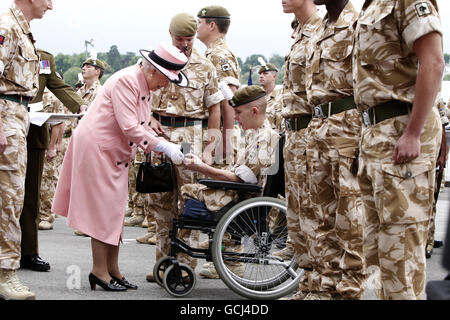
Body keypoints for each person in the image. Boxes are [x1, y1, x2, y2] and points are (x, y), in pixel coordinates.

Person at [52, 42, 187, 292]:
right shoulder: (128, 81)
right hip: (98, 148)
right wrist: (163, 147)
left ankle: (113, 270)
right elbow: (129, 126)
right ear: (153, 69)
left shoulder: (142, 82)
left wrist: (158, 137)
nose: (166, 84)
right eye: (166, 79)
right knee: (102, 211)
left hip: (113, 150)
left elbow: (140, 123)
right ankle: (99, 271)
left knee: (114, 211)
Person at [354, 0, 444, 299]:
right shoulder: (371, 5)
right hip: (376, 134)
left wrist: (413, 132)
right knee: (380, 250)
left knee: (401, 247)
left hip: (401, 129)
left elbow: (433, 62)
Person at [144, 13, 223, 282]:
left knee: (187, 201)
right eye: (179, 39)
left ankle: (183, 265)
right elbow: (140, 96)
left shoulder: (205, 66)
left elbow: (215, 108)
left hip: (191, 132)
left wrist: (211, 147)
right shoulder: (153, 60)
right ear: (170, 34)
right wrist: (149, 118)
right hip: (159, 134)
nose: (184, 44)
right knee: (160, 203)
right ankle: (163, 263)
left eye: (188, 39)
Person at [303, 0, 366, 300]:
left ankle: (350, 288)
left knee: (349, 213)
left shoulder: (358, 23)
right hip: (319, 125)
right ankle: (326, 286)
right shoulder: (320, 27)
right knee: (321, 213)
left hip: (348, 124)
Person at [181, 86, 279, 275]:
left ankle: (185, 259)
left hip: (244, 198)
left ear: (255, 111)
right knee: (193, 187)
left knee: (188, 190)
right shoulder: (254, 134)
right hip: (241, 193)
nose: (234, 117)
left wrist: (202, 168)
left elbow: (242, 180)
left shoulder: (266, 138)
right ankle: (218, 254)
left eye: (238, 112)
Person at [0, 0, 53, 300]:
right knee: (8, 199)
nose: (51, 5)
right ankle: (5, 274)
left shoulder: (22, 28)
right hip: (5, 116)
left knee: (12, 197)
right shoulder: (7, 25)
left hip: (17, 115)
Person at [20, 47, 88, 272]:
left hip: (35, 130)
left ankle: (28, 252)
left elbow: (57, 85)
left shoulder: (44, 57)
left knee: (31, 196)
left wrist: (80, 104)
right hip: (8, 124)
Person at [279, 0, 323, 300]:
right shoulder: (299, 32)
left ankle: (321, 286)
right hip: (294, 133)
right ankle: (306, 285)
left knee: (316, 215)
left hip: (312, 131)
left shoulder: (321, 29)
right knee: (297, 218)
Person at [196, 5, 241, 167]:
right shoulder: (212, 53)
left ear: (212, 25)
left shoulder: (219, 55)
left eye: (199, 22)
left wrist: (226, 142)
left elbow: (230, 99)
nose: (197, 27)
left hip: (223, 134)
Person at [72, 57, 105, 237]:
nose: (84, 68)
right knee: (83, 182)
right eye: (83, 65)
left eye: (88, 66)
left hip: (93, 140)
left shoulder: (100, 91)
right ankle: (85, 222)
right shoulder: (80, 91)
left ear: (98, 71)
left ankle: (93, 224)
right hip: (80, 139)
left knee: (93, 183)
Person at [426, 99, 449, 258]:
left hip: (433, 158)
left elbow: (442, 129)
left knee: (431, 201)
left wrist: (443, 155)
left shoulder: (437, 101)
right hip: (422, 158)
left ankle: (429, 242)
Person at [258, 61, 284, 132]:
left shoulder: (282, 96)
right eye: (260, 74)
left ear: (274, 77)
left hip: (276, 139)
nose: (261, 76)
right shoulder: (256, 98)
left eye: (265, 73)